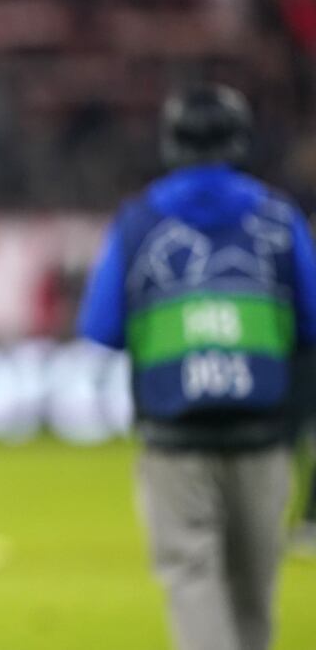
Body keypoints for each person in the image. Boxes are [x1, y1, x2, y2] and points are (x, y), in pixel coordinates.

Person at [78, 83, 316, 650]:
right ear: (240, 139)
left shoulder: (139, 221)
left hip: (173, 435)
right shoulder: (279, 217)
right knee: (254, 590)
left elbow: (102, 326)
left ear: (171, 140)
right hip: (263, 432)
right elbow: (312, 321)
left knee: (192, 577)